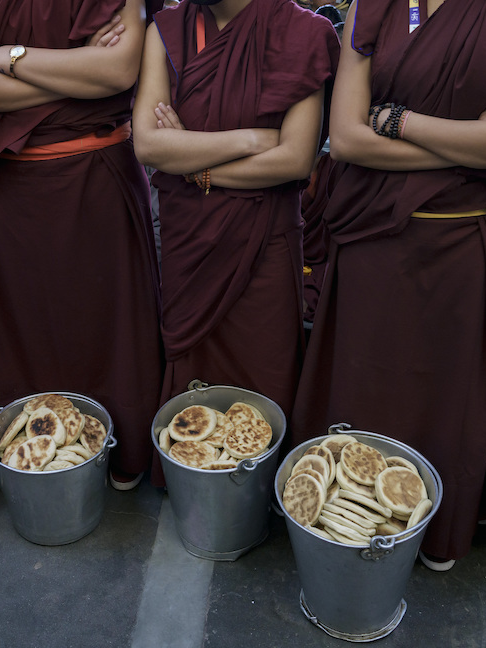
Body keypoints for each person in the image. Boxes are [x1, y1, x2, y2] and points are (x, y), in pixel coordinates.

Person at [292, 0, 486, 569]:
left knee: (446, 394)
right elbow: (346, 138)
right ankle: (340, 520)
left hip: (462, 243)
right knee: (363, 382)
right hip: (373, 240)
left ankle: (436, 530)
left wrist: (397, 121)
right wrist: (468, 142)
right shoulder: (373, 7)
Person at [0, 0, 164, 488]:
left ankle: (121, 450)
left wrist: (4, 57)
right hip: (10, 190)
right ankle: (30, 455)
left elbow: (117, 72)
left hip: (95, 177)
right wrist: (73, 71)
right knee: (25, 331)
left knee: (105, 328)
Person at [132, 0, 339, 438]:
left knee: (263, 373)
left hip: (264, 242)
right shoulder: (167, 29)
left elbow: (295, 160)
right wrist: (249, 139)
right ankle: (191, 480)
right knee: (193, 383)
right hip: (189, 238)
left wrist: (193, 164)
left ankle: (254, 489)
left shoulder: (304, 34)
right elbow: (149, 147)